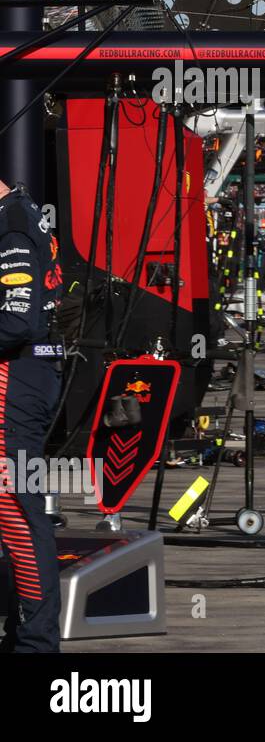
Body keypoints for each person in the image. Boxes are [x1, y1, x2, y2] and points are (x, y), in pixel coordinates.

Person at [0, 177, 64, 653]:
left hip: (16, 379)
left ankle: (35, 644)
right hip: (26, 375)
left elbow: (15, 321)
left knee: (17, 510)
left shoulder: (13, 223)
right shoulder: (20, 213)